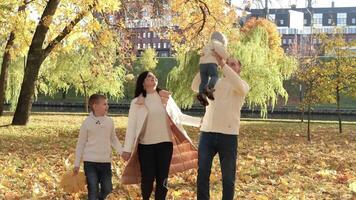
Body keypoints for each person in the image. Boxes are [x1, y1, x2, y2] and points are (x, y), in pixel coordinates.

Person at [121, 71, 201, 200]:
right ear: (143, 83)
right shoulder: (136, 102)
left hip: (165, 145)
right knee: (147, 178)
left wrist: (200, 122)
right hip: (145, 146)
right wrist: (127, 149)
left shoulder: (166, 98)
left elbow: (179, 117)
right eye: (149, 76)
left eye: (154, 76)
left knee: (162, 178)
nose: (153, 77)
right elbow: (131, 127)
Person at [192, 54, 250, 200]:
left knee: (228, 177)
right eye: (228, 63)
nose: (230, 65)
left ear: (239, 68)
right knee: (203, 173)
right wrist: (206, 64)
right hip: (207, 134)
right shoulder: (214, 82)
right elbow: (194, 86)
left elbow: (239, 85)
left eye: (234, 64)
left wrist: (223, 64)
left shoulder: (241, 85)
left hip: (228, 136)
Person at [73, 94, 123, 200]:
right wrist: (77, 163)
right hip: (90, 162)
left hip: (105, 162)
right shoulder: (87, 123)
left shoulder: (109, 121)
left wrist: (122, 152)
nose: (107, 106)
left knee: (107, 189)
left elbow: (113, 139)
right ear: (95, 106)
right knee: (93, 189)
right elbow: (81, 143)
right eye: (104, 104)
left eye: (107, 104)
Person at [197, 31, 231, 106]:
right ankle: (209, 89)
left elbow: (202, 54)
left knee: (203, 81)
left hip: (202, 65)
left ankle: (201, 94)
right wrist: (228, 57)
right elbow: (221, 51)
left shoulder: (207, 45)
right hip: (211, 63)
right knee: (214, 76)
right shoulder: (216, 43)